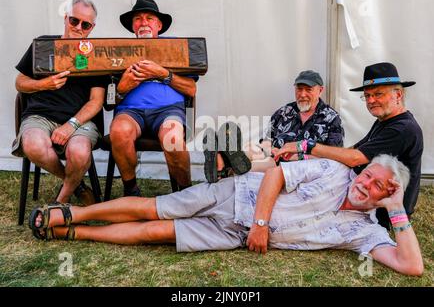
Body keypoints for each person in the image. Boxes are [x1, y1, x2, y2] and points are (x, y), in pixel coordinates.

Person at [28, 154, 424, 276]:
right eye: (367, 173)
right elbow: (273, 174)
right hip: (238, 196)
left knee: (158, 232)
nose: (364, 183)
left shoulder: (365, 231)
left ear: (386, 195)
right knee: (156, 205)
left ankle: (75, 235)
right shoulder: (336, 171)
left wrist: (396, 210)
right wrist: (261, 225)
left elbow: (411, 267)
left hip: (234, 235)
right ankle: (75, 212)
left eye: (376, 185)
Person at [272, 62, 423, 228]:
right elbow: (352, 150)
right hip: (359, 193)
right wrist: (306, 156)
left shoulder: (402, 129)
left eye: (378, 94)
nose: (371, 100)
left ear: (398, 95)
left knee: (294, 207)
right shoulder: (386, 121)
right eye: (367, 96)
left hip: (378, 210)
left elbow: (355, 159)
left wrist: (305, 146)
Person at [12, 0, 107, 205]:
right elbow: (20, 82)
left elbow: (96, 101)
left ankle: (59, 202)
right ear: (65, 18)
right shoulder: (44, 44)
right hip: (39, 116)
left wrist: (70, 125)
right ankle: (76, 185)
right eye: (74, 21)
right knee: (33, 145)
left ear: (92, 27)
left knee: (80, 152)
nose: (79, 27)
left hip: (80, 122)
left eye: (85, 24)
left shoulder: (97, 54)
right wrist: (43, 84)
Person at [109, 0, 198, 196]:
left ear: (159, 25)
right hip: (130, 112)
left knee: (172, 138)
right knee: (119, 132)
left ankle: (186, 194)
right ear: (133, 26)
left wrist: (163, 73)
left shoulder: (175, 48)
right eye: (138, 19)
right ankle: (131, 190)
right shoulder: (118, 51)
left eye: (149, 18)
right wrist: (122, 88)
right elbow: (107, 101)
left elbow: (191, 89)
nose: (144, 23)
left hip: (168, 111)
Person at [203, 71, 344, 182]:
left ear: (320, 90)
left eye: (308, 90)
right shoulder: (284, 112)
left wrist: (297, 156)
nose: (302, 94)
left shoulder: (331, 118)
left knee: (269, 163)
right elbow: (267, 139)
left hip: (300, 164)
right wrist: (271, 148)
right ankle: (223, 159)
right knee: (252, 149)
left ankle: (224, 168)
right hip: (274, 154)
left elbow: (334, 156)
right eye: (299, 89)